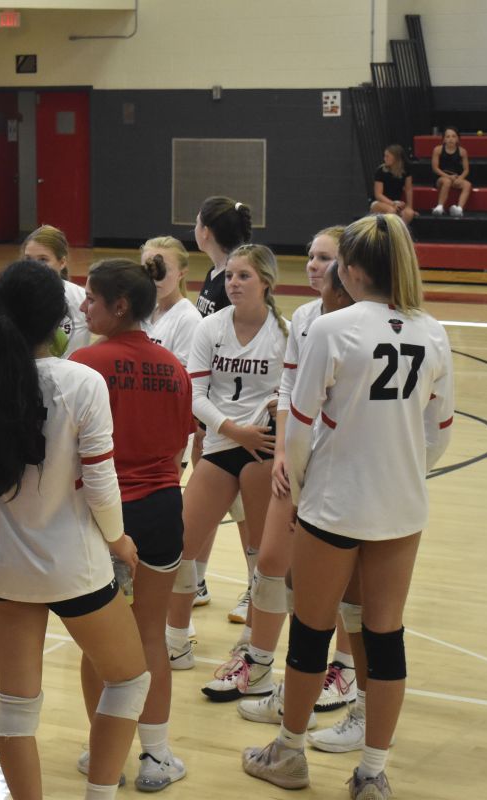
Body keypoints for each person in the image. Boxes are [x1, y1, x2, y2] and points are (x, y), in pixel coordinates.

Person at [241, 214, 454, 800]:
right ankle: (371, 774)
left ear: (352, 271)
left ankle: (288, 754)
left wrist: (303, 491)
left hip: (333, 506)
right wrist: (404, 470)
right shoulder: (432, 331)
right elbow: (440, 432)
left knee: (311, 632)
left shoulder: (332, 330)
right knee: (385, 637)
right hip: (401, 509)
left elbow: (300, 431)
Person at [0, 259, 150, 800]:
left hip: (4, 566)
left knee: (16, 706)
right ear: (59, 321)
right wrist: (120, 540)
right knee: (130, 679)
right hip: (75, 567)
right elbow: (101, 482)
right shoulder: (82, 381)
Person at [70, 257, 197, 792]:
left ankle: (107, 754)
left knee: (100, 645)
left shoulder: (85, 363)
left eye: (91, 299)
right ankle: (157, 756)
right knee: (150, 636)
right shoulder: (174, 368)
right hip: (165, 508)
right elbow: (178, 448)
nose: (82, 306)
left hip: (105, 518)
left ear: (118, 306)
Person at [235, 234, 361, 724]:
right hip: (301, 458)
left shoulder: (359, 326)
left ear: (350, 270)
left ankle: (344, 670)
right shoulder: (308, 319)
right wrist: (287, 450)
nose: (314, 267)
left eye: (325, 259)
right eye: (310, 257)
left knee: (349, 582)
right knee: (273, 562)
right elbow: (290, 390)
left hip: (341, 468)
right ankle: (262, 663)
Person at [166, 245, 287, 681]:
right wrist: (233, 431)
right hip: (222, 444)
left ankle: (252, 646)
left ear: (266, 283)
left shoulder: (285, 333)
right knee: (181, 544)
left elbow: (290, 396)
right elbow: (195, 396)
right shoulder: (210, 327)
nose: (233, 283)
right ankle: (175, 639)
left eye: (244, 277)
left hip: (263, 451)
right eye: (230, 275)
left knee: (260, 557)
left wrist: (267, 422)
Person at [188, 197, 257, 623]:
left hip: (235, 411)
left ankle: (255, 585)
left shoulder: (235, 277)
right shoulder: (216, 274)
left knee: (244, 505)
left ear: (206, 231)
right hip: (209, 409)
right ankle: (196, 578)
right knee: (206, 498)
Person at [0, 225, 89, 359]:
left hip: (70, 378)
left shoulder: (81, 298)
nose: (34, 266)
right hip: (25, 377)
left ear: (62, 262)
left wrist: (87, 357)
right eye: (28, 259)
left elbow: (114, 327)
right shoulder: (12, 294)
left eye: (43, 260)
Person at [138, 237, 200, 367]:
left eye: (163, 269)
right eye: (149, 268)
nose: (155, 277)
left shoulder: (188, 319)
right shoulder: (142, 311)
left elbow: (181, 377)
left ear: (181, 273)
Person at [431, 127, 472, 217]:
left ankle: (459, 209)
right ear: (444, 139)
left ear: (457, 139)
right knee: (447, 181)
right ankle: (439, 207)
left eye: (453, 136)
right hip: (441, 177)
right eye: (448, 136)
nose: (450, 139)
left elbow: (466, 170)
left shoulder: (462, 151)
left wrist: (460, 178)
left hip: (455, 177)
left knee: (467, 185)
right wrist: (448, 176)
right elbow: (435, 168)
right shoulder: (437, 150)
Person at [370, 145, 416, 223]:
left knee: (409, 213)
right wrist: (392, 203)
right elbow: (378, 195)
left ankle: (398, 232)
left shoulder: (406, 170)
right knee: (391, 210)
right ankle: (389, 233)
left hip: (396, 202)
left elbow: (408, 190)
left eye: (387, 156)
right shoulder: (380, 171)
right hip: (380, 203)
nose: (385, 158)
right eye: (384, 156)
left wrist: (409, 207)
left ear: (396, 158)